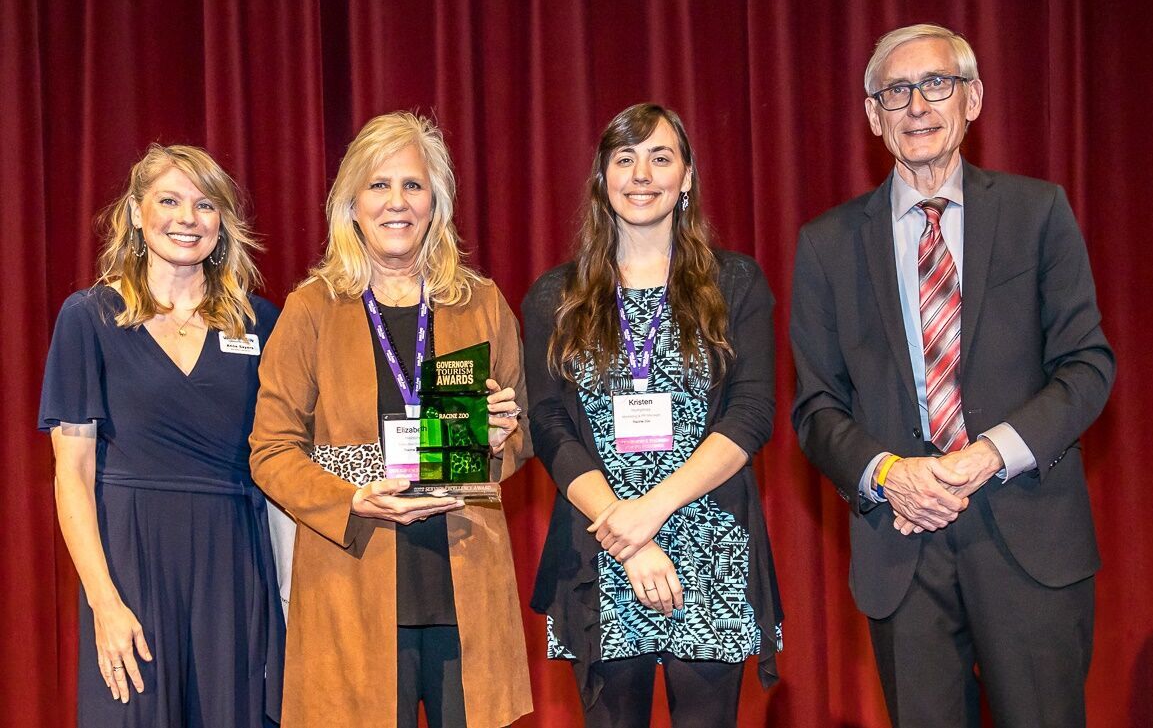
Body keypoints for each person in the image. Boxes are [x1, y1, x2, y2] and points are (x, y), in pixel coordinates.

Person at [790, 24, 1115, 727]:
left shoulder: (1039, 212)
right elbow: (816, 408)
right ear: (873, 116)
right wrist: (888, 473)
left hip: (1028, 537)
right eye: (896, 91)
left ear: (973, 99)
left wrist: (988, 453)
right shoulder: (825, 244)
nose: (918, 106)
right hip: (901, 549)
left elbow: (1088, 366)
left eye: (936, 84)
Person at [249, 111, 533, 728]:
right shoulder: (311, 309)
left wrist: (494, 438)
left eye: (413, 185)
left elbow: (521, 436)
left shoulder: (479, 302)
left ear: (437, 203)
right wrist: (351, 500)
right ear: (351, 203)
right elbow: (270, 452)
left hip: (463, 583)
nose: (396, 202)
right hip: (352, 579)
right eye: (378, 185)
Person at [523, 102, 783, 728]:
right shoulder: (555, 297)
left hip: (710, 549)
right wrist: (626, 533)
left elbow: (750, 416)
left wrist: (650, 512)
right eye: (625, 159)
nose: (642, 175)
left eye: (661, 158)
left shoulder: (735, 283)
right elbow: (549, 426)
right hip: (602, 550)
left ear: (687, 176)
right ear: (602, 178)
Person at [39, 144, 284, 726]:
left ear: (221, 222)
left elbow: (297, 446)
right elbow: (71, 474)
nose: (187, 218)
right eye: (169, 200)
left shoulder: (261, 323)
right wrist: (104, 601)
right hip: (132, 563)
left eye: (204, 205)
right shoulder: (88, 317)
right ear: (135, 213)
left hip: (235, 565)